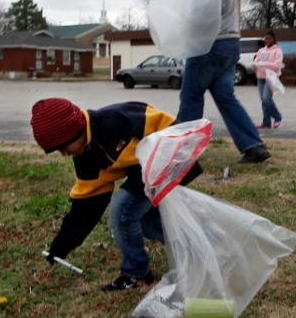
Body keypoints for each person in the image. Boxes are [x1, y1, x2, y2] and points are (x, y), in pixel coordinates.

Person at [30, 97, 202, 291]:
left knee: (123, 213)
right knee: (144, 220)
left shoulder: (116, 120)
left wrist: (178, 158)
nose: (63, 153)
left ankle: (137, 274)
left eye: (63, 147)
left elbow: (169, 125)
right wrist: (60, 246)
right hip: (145, 173)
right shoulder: (86, 158)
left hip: (172, 156)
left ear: (75, 130)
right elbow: (86, 207)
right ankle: (196, 247)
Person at [175, 0, 271, 164]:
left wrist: (183, 21)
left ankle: (183, 151)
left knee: (190, 95)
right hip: (228, 45)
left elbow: (204, 18)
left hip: (211, 45)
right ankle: (253, 146)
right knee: (225, 97)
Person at [253, 30, 284, 129]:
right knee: (263, 100)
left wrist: (263, 64)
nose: (267, 40)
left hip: (271, 78)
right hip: (260, 77)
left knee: (267, 98)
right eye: (266, 38)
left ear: (274, 39)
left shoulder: (277, 51)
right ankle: (266, 122)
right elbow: (256, 60)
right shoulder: (261, 50)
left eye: (269, 38)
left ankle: (277, 117)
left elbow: (277, 65)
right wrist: (255, 65)